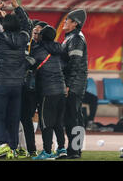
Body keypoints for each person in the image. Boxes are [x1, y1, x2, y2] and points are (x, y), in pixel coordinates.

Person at [0, 0, 31, 159]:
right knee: (13, 117)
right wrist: (17, 7)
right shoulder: (23, 38)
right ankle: (12, 147)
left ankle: (3, 145)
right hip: (17, 85)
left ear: (2, 26)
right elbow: (27, 25)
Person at [28, 25, 67, 160]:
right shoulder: (59, 48)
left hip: (47, 91)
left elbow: (29, 64)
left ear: (42, 36)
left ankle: (47, 151)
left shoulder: (38, 50)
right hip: (61, 90)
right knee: (58, 123)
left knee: (46, 123)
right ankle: (62, 149)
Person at [58, 9, 88, 159]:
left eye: (67, 20)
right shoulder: (72, 37)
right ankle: (76, 149)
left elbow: (75, 64)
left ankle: (74, 150)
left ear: (75, 23)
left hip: (74, 84)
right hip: (76, 83)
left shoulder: (75, 39)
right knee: (76, 117)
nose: (64, 22)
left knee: (72, 118)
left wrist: (68, 84)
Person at [20, 20, 48, 158]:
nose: (36, 36)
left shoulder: (50, 48)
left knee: (45, 120)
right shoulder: (27, 45)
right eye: (34, 33)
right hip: (30, 89)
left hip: (43, 88)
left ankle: (48, 148)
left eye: (39, 33)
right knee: (26, 118)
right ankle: (31, 149)